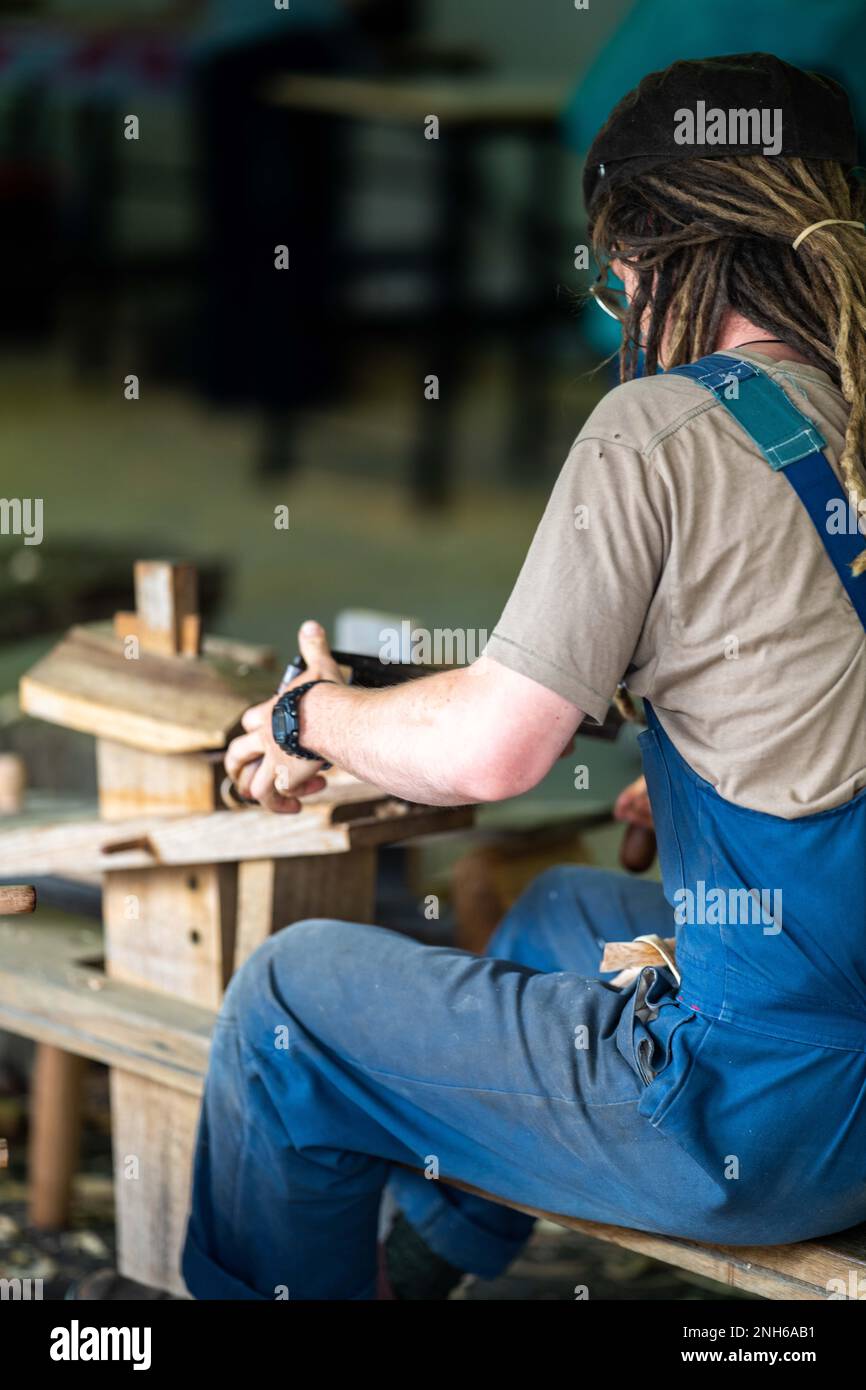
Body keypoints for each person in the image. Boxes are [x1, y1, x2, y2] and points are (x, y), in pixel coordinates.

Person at [183, 53, 866, 1300]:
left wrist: (308, 711)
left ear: (646, 254)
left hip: (760, 1125)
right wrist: (713, 778)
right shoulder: (848, 412)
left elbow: (490, 751)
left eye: (613, 276)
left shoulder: (658, 428)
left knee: (291, 1003)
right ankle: (405, 1269)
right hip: (846, 1046)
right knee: (558, 920)